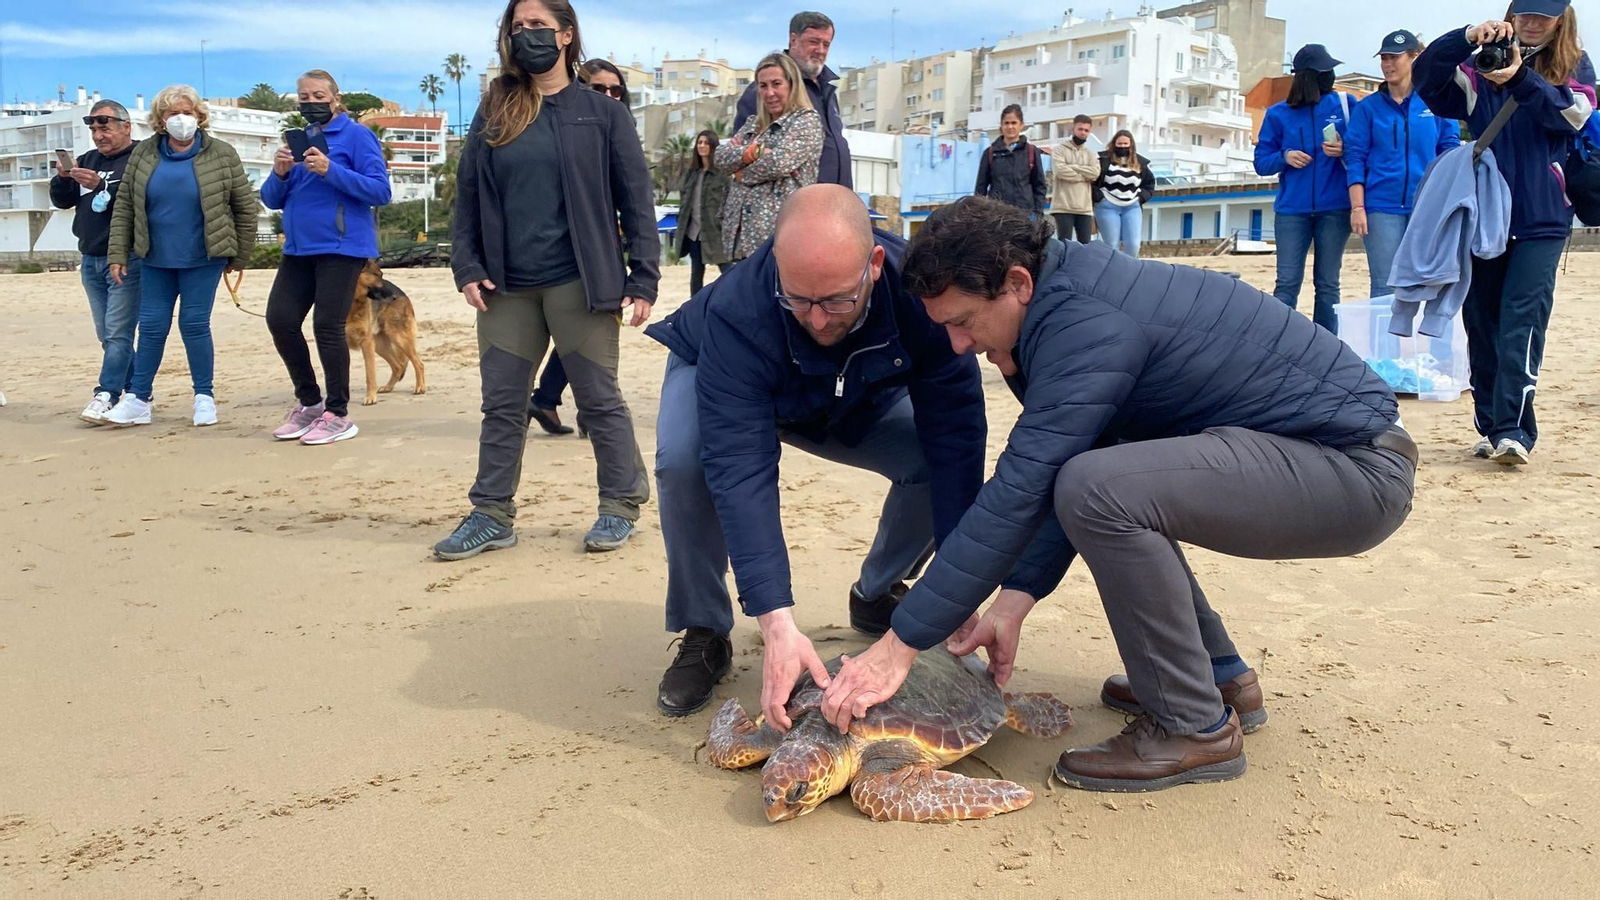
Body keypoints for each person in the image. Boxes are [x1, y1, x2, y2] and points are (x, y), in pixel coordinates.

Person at [817, 197, 1417, 793]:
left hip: (1353, 470)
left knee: (1101, 489)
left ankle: (1192, 726)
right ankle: (1215, 678)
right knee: (1106, 480)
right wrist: (1012, 601)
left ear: (1018, 283)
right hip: (1315, 455)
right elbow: (1067, 465)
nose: (955, 345)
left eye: (964, 321)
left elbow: (1023, 487)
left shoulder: (1084, 323)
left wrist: (901, 643)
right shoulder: (1065, 297)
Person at [645, 185, 985, 719]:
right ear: (777, 264)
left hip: (847, 391)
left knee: (929, 455)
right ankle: (704, 629)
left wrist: (958, 588)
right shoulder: (740, 309)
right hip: (725, 375)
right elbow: (740, 468)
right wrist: (776, 621)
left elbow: (958, 438)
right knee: (685, 464)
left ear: (874, 264)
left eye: (836, 300)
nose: (820, 320)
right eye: (799, 299)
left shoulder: (924, 295)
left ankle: (877, 593)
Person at [435, 0, 659, 560]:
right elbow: (467, 198)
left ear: (565, 35)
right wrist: (467, 266)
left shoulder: (601, 113)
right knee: (502, 404)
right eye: (518, 27)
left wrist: (644, 277)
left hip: (580, 282)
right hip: (505, 285)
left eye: (539, 25)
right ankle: (491, 513)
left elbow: (637, 201)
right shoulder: (496, 110)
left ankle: (620, 503)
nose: (527, 35)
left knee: (598, 400)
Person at [1415, 0, 1596, 465]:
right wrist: (1467, 37)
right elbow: (1426, 81)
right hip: (1485, 214)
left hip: (1544, 218)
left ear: (1562, 20)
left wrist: (1519, 78)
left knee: (1522, 322)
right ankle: (1492, 427)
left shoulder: (1574, 64)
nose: (1534, 23)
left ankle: (1516, 430)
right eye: (1526, 14)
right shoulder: (1479, 67)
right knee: (1482, 323)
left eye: (1545, 16)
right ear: (1512, 15)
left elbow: (1569, 116)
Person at [104, 84, 256, 427]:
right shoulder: (143, 153)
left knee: (194, 325)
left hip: (204, 256)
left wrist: (240, 257)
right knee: (153, 328)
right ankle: (138, 399)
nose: (181, 119)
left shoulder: (223, 153)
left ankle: (204, 398)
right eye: (173, 113)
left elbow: (245, 208)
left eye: (187, 112)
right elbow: (125, 206)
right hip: (155, 256)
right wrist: (118, 253)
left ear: (199, 116)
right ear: (160, 119)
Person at [262, 69, 393, 446]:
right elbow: (272, 199)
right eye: (304, 96)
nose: (311, 102)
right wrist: (281, 173)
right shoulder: (296, 141)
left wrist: (331, 170)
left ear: (335, 98)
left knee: (327, 326)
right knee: (281, 320)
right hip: (298, 249)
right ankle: (309, 403)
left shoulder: (357, 136)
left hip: (343, 247)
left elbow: (380, 191)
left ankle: (338, 413)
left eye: (319, 95)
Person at [527, 57, 636, 438]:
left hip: (603, 253)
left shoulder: (619, 132)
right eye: (598, 89)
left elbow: (634, 198)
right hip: (564, 256)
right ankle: (571, 406)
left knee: (590, 335)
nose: (608, 96)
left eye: (616, 91)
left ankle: (547, 398)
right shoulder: (560, 131)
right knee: (586, 338)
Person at [1345, 31, 1462, 299]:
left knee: (1429, 282)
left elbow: (1450, 150)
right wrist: (1358, 207)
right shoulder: (1368, 109)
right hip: (1381, 208)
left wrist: (1447, 201)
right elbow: (1355, 159)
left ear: (1414, 58)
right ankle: (1384, 342)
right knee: (1385, 285)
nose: (1388, 64)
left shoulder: (1437, 101)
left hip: (1427, 207)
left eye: (1395, 57)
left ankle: (1423, 341)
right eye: (1384, 58)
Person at [49, 99, 141, 425]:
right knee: (107, 334)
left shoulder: (142, 157)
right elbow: (62, 202)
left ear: (125, 126)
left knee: (118, 332)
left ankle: (107, 393)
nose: (98, 134)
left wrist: (102, 186)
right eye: (93, 128)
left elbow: (142, 199)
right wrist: (63, 179)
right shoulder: (88, 159)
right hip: (89, 257)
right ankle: (136, 393)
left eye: (105, 126)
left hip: (126, 258)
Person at [1256, 44, 1355, 334]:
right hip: (1291, 212)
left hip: (1335, 208)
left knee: (1327, 283)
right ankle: (1279, 344)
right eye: (1325, 71)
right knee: (1286, 283)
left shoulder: (1346, 105)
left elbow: (1365, 150)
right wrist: (1284, 157)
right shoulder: (1277, 114)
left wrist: (1344, 149)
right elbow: (1261, 162)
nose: (1331, 76)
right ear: (1308, 77)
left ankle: (1326, 347)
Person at [716, 53, 823, 263]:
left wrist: (738, 172)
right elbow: (720, 157)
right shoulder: (752, 124)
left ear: (792, 85)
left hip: (779, 240)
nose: (770, 92)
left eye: (776, 84)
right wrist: (754, 152)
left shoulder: (806, 121)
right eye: (763, 86)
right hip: (739, 241)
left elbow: (777, 163)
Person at [736, 11, 852, 189]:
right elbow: (740, 151)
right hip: (792, 205)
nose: (820, 50)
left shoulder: (828, 91)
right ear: (793, 40)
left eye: (826, 44)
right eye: (813, 42)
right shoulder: (766, 90)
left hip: (834, 202)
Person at [676, 130, 731, 297]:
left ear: (713, 146)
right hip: (694, 233)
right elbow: (684, 201)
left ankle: (734, 301)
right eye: (699, 142)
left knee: (728, 271)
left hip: (716, 232)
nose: (702, 146)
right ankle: (695, 306)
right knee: (696, 272)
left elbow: (729, 201)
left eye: (706, 143)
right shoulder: (691, 174)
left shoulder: (722, 174)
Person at [974, 104, 1046, 216]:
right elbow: (980, 188)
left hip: (1025, 215)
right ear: (1001, 126)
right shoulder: (990, 153)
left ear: (1021, 125)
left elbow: (1039, 186)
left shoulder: (1032, 152)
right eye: (1006, 123)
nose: (1010, 127)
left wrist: (1037, 215)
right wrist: (979, 215)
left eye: (1014, 123)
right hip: (997, 217)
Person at [1091, 129, 1154, 257]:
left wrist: (1141, 198)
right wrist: (1098, 196)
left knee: (1133, 244)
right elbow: (1091, 181)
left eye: (1126, 144)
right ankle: (1112, 273)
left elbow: (1150, 184)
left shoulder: (1141, 163)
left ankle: (1130, 273)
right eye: (1119, 144)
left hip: (1132, 206)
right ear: (1114, 144)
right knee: (1111, 245)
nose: (1123, 147)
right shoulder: (1103, 160)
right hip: (1107, 206)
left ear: (1131, 145)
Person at [1049, 114, 1100, 243]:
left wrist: (1073, 167)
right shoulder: (1059, 150)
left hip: (1085, 208)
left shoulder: (1091, 154)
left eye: (1086, 130)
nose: (1083, 133)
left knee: (1085, 246)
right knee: (1064, 244)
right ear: (1073, 129)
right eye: (1080, 129)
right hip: (1063, 206)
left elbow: (1095, 173)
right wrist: (1083, 176)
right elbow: (1060, 171)